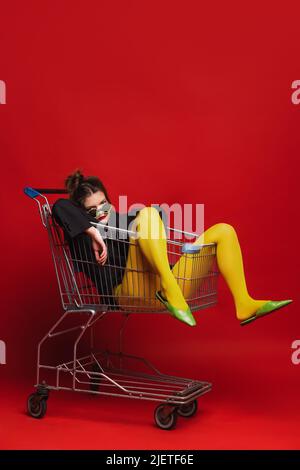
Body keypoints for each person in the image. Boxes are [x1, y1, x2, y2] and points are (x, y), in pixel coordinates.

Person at [52, 170, 292, 327]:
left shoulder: (121, 223)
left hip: (161, 285)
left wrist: (147, 229)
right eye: (93, 208)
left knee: (223, 230)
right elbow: (59, 206)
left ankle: (244, 304)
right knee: (145, 213)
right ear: (82, 214)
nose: (102, 210)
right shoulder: (81, 238)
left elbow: (158, 219)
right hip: (125, 293)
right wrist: (92, 230)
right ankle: (171, 292)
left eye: (105, 203)